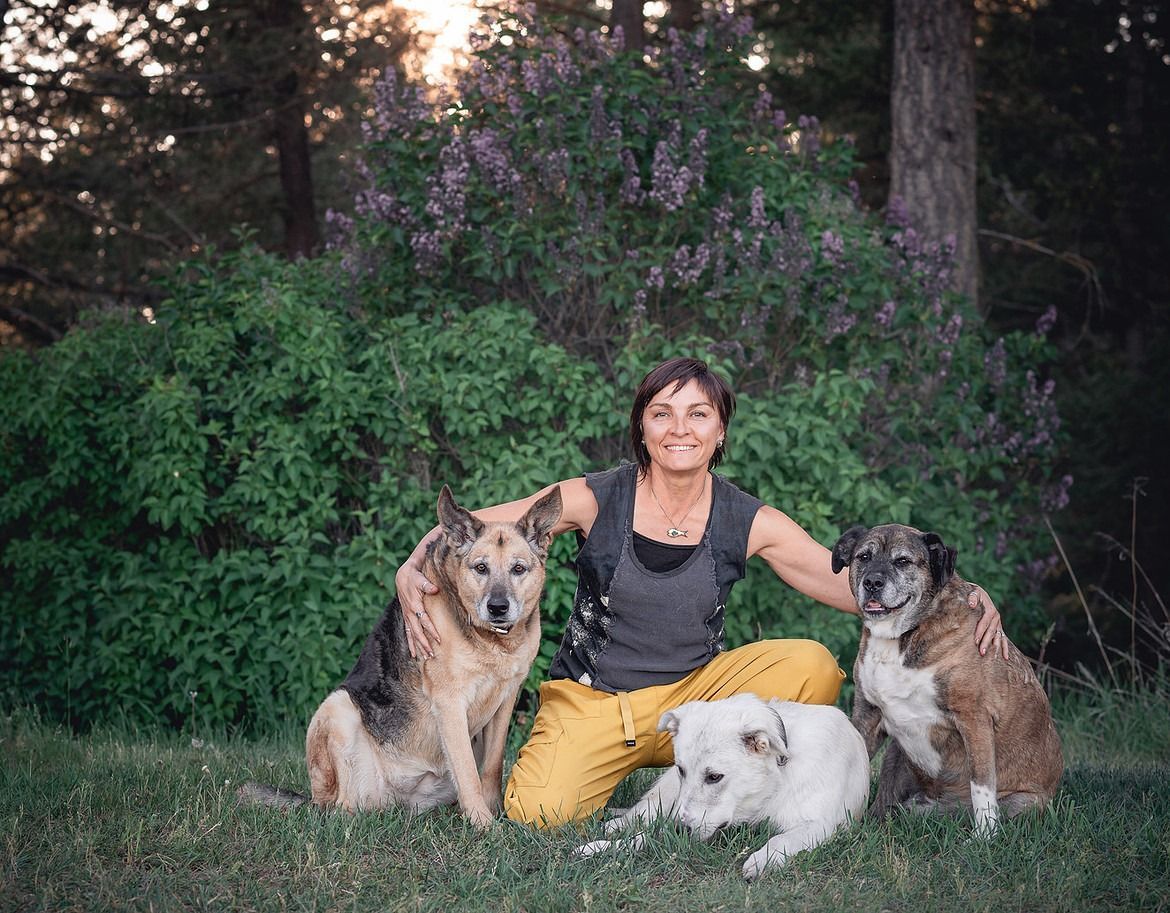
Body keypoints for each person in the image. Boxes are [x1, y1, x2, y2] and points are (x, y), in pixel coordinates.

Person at [394, 357, 1007, 827]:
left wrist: (962, 594)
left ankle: (753, 790)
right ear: (642, 427)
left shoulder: (746, 518)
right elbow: (473, 529)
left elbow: (852, 584)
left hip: (699, 701)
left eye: (698, 414)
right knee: (537, 813)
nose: (679, 429)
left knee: (813, 666)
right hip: (594, 703)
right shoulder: (593, 497)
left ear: (720, 431)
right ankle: (650, 786)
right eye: (662, 413)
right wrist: (410, 569)